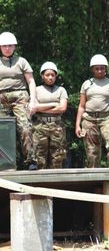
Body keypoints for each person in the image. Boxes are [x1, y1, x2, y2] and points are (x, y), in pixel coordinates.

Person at [75, 54, 109, 168]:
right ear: (92, 69)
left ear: (106, 68)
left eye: (102, 68)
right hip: (89, 119)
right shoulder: (86, 84)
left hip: (107, 118)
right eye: (97, 68)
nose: (100, 71)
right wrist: (77, 125)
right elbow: (81, 106)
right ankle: (94, 177)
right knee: (92, 152)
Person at [0, 31, 38, 170]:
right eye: (4, 46)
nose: (7, 48)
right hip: (2, 98)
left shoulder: (21, 61)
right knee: (3, 131)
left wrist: (33, 100)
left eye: (10, 45)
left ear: (14, 46)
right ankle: (6, 163)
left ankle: (30, 160)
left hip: (20, 97)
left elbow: (31, 81)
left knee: (25, 127)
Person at [32, 62, 68, 169]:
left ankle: (56, 183)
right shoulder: (36, 90)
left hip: (57, 125)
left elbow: (62, 108)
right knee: (39, 155)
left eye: (53, 75)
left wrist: (40, 107)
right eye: (47, 75)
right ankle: (38, 183)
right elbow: (33, 108)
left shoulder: (61, 90)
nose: (50, 77)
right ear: (42, 76)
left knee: (57, 156)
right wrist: (53, 104)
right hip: (40, 125)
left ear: (56, 76)